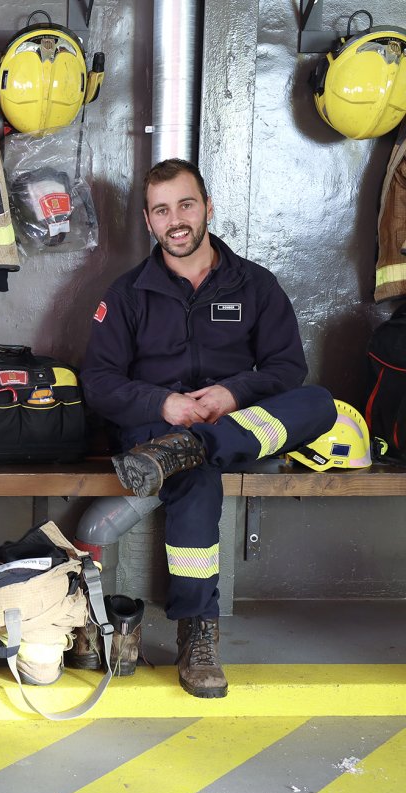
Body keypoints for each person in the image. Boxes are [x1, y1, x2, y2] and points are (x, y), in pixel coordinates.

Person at [81, 158, 336, 698]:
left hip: (241, 426)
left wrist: (233, 393)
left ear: (208, 208)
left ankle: (194, 446)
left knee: (319, 403)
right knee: (195, 479)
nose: (176, 220)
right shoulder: (127, 294)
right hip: (153, 434)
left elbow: (288, 369)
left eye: (186, 205)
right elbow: (99, 383)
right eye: (161, 210)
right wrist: (164, 404)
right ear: (149, 221)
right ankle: (198, 632)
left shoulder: (256, 285)